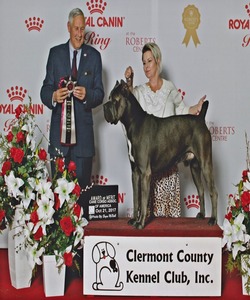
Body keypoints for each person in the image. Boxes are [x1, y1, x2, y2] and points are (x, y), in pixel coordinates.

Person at [124, 42, 205, 218]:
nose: (146, 66)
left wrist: (196, 108)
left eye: (149, 61)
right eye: (143, 62)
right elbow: (127, 98)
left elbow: (182, 111)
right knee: (149, 228)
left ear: (158, 61)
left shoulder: (169, 88)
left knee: (169, 225)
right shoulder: (139, 92)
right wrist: (129, 80)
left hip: (168, 165)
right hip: (148, 169)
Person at [41, 8, 104, 192]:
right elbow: (45, 89)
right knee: (58, 200)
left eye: (82, 29)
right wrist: (53, 96)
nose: (79, 34)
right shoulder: (55, 54)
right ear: (68, 27)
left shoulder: (94, 57)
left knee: (81, 197)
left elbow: (99, 93)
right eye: (76, 29)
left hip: (83, 142)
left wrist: (87, 95)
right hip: (58, 142)